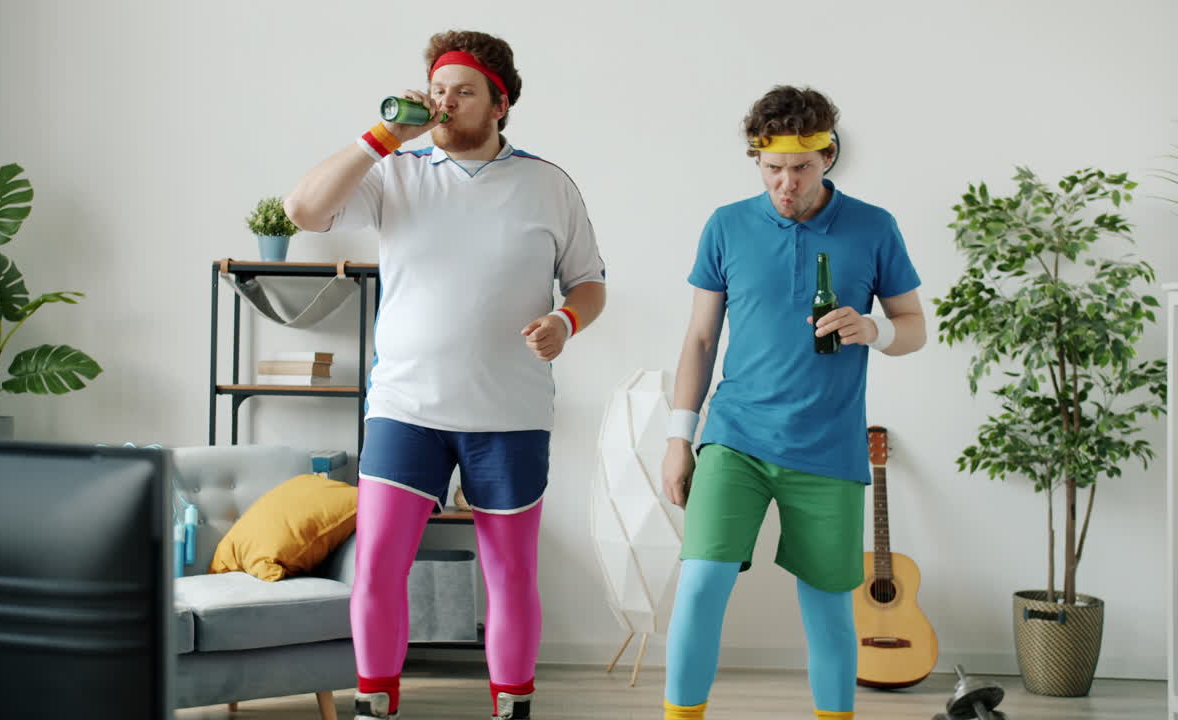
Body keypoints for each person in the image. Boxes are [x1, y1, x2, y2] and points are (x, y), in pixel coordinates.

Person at [284, 29, 606, 720]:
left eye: (463, 92)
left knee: (510, 574)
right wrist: (381, 138)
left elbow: (589, 284)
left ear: (500, 104)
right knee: (378, 566)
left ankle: (513, 708)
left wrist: (566, 321)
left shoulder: (548, 184)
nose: (445, 103)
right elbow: (303, 211)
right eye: (437, 91)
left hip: (511, 415)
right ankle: (375, 707)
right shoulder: (395, 172)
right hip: (406, 409)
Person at [659, 85, 926, 720]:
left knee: (829, 607)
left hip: (830, 446)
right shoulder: (726, 225)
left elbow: (914, 326)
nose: (786, 183)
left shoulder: (874, 227)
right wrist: (678, 438)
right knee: (699, 584)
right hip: (735, 437)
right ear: (757, 159)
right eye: (773, 167)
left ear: (828, 156)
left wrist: (874, 329)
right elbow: (700, 339)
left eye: (801, 168)